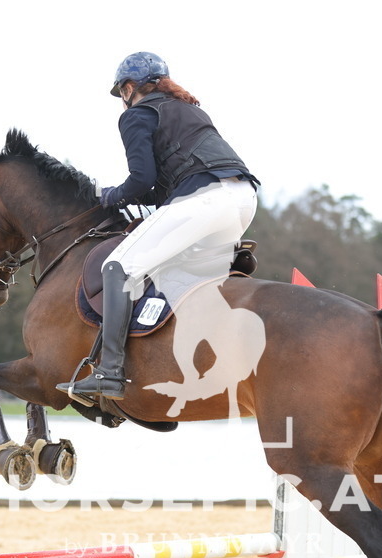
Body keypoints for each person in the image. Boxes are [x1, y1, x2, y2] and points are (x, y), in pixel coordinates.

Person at [58, 51, 259, 402]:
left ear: (130, 87)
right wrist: (135, 195)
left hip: (205, 200)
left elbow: (140, 179)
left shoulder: (137, 114)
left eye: (122, 92)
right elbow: (165, 186)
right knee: (168, 264)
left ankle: (110, 372)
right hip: (243, 199)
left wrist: (111, 196)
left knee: (118, 267)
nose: (123, 99)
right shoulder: (192, 109)